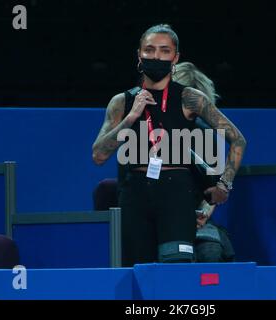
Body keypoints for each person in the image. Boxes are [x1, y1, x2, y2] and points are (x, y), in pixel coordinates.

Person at [92, 24, 246, 267]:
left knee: (176, 270)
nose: (156, 56)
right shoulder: (122, 102)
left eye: (164, 51)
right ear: (139, 55)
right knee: (137, 270)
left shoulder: (190, 98)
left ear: (175, 57)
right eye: (150, 50)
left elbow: (237, 139)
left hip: (177, 194)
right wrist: (132, 117)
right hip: (135, 195)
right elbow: (99, 155)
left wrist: (224, 184)